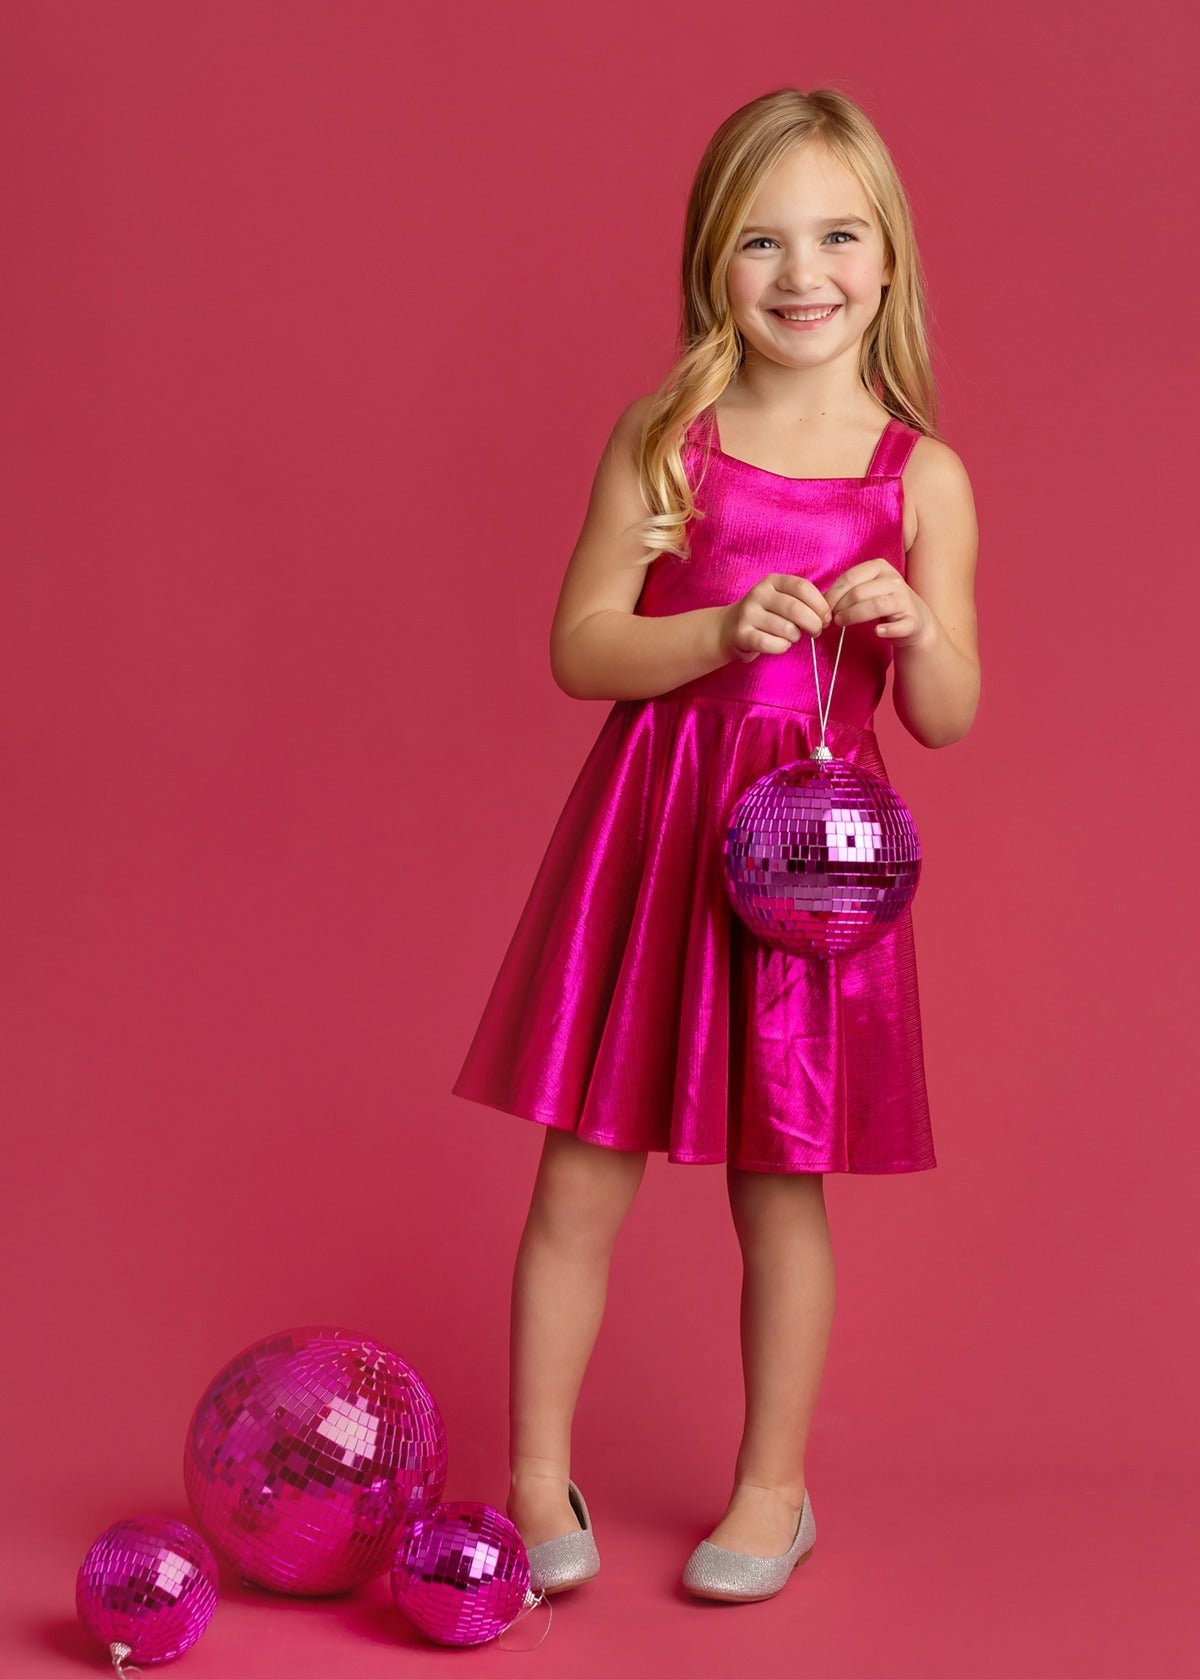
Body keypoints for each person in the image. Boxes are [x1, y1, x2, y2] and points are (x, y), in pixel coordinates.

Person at [451, 85, 980, 1604]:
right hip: (654, 836)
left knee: (779, 1182)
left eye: (834, 236)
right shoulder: (667, 436)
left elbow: (946, 713)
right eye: (760, 240)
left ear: (886, 262)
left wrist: (919, 624)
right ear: (710, 265)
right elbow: (579, 648)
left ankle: (773, 1490)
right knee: (579, 1171)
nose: (800, 272)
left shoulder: (918, 476)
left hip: (804, 867)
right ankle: (534, 1473)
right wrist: (710, 635)